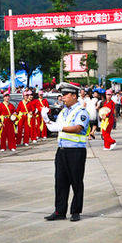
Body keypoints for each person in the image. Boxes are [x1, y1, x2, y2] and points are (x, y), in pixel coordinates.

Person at [43, 82, 90, 222]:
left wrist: (60, 128)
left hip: (75, 151)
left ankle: (75, 211)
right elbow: (57, 126)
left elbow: (78, 128)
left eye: (65, 95)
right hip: (62, 150)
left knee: (76, 181)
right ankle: (59, 211)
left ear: (74, 96)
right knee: (60, 182)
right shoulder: (63, 112)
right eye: (62, 95)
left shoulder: (81, 111)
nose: (62, 97)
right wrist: (47, 120)